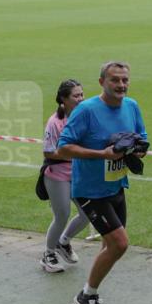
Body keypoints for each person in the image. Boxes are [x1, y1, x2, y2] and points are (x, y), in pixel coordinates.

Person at [57, 61, 146, 304]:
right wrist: (102, 154)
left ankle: (88, 295)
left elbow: (141, 137)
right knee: (119, 243)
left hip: (116, 185)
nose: (121, 85)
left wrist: (138, 149)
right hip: (89, 190)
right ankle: (87, 296)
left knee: (110, 245)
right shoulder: (86, 110)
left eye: (124, 80)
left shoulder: (131, 106)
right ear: (101, 82)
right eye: (114, 80)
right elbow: (63, 148)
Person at [40, 79, 91, 273]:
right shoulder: (54, 122)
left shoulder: (84, 117)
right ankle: (48, 254)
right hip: (57, 175)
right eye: (76, 96)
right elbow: (48, 152)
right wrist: (72, 154)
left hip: (79, 174)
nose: (81, 98)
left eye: (82, 94)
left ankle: (63, 242)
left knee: (88, 214)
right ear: (63, 99)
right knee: (62, 215)